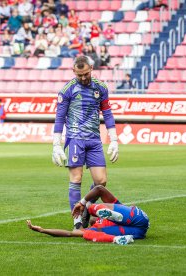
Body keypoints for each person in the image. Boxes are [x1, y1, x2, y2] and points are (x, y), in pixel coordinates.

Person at [52, 56, 119, 229]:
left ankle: (86, 208)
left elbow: (108, 112)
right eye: (79, 74)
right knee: (76, 177)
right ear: (74, 71)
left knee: (101, 182)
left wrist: (114, 140)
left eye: (86, 73)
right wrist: (56, 145)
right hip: (75, 139)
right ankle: (77, 223)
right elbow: (60, 117)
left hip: (94, 140)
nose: (83, 78)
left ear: (91, 68)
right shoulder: (67, 90)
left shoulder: (101, 88)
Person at [26, 185, 149, 245]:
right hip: (136, 230)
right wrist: (42, 230)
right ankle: (117, 239)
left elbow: (99, 189)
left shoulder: (93, 226)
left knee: (90, 210)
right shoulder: (91, 229)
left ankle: (114, 236)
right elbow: (67, 233)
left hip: (135, 219)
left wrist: (83, 203)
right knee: (88, 233)